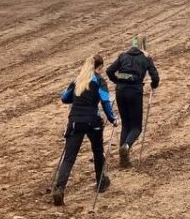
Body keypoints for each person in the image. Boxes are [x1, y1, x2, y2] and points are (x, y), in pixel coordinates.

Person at [52, 55, 117, 205]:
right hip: (93, 121)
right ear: (99, 68)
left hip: (75, 121)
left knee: (69, 157)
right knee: (97, 151)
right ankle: (101, 182)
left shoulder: (77, 80)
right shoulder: (100, 81)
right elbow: (106, 102)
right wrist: (113, 119)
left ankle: (59, 188)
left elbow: (64, 98)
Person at [107, 39, 160, 167]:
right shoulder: (146, 57)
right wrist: (153, 85)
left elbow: (109, 71)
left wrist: (118, 81)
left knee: (126, 124)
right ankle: (126, 146)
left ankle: (123, 161)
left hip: (120, 91)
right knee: (136, 127)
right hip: (135, 92)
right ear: (143, 49)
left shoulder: (123, 56)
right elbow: (155, 77)